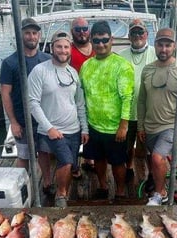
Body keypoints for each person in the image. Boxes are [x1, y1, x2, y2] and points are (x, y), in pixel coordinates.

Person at [28, 30, 89, 208]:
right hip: (53, 130)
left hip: (74, 128)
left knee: (71, 162)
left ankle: (60, 186)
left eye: (66, 47)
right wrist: (49, 128)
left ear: (70, 49)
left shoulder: (73, 73)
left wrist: (84, 128)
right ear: (51, 48)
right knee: (66, 161)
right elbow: (33, 103)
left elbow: (79, 102)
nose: (63, 50)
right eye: (59, 46)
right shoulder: (39, 71)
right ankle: (61, 195)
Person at [137, 28, 177, 206]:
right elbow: (141, 101)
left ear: (174, 46)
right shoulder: (147, 70)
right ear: (155, 45)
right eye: (160, 45)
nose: (164, 49)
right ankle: (155, 180)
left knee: (157, 158)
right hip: (150, 126)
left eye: (168, 45)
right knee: (151, 158)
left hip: (170, 126)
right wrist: (140, 126)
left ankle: (160, 193)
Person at [80, 20, 134, 200]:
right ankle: (103, 187)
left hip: (114, 128)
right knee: (99, 160)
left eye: (104, 40)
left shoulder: (122, 65)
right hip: (93, 125)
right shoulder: (86, 66)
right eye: (96, 41)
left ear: (111, 40)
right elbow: (82, 95)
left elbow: (127, 97)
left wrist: (123, 125)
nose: (101, 44)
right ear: (91, 42)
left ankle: (119, 192)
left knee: (118, 163)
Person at [0, 18, 52, 193]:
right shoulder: (9, 63)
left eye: (34, 33)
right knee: (23, 156)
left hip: (44, 120)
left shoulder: (47, 59)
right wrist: (13, 122)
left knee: (44, 153)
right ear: (21, 35)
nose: (31, 36)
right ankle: (20, 187)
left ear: (39, 35)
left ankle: (47, 183)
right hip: (22, 120)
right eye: (28, 33)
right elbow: (5, 93)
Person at [118, 18, 157, 183]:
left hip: (149, 112)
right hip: (127, 112)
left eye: (140, 31)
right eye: (134, 32)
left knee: (149, 148)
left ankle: (152, 175)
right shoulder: (120, 56)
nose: (137, 35)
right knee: (127, 147)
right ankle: (129, 168)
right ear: (129, 36)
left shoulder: (156, 53)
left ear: (147, 34)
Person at [69, 16, 96, 176]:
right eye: (77, 29)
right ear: (72, 32)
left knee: (91, 131)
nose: (81, 32)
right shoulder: (68, 50)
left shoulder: (97, 48)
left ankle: (88, 160)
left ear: (89, 30)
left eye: (84, 28)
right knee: (74, 134)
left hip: (94, 100)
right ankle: (73, 165)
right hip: (73, 100)